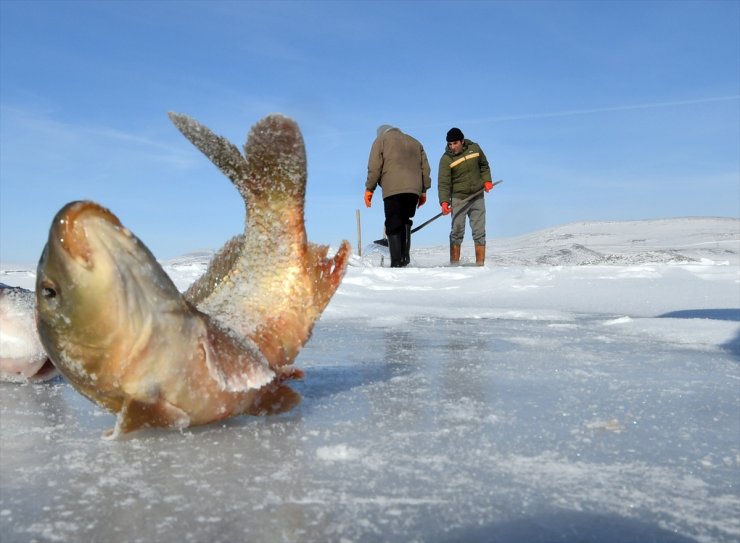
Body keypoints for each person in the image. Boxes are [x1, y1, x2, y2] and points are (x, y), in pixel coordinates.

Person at [365, 125, 431, 267]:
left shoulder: (381, 141)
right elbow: (425, 168)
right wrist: (424, 191)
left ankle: (396, 263)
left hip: (393, 188)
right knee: (405, 220)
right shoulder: (415, 142)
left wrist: (370, 188)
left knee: (393, 223)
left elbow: (374, 166)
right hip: (414, 190)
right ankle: (404, 257)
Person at [438, 127, 494, 266]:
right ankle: (454, 265)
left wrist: (487, 180)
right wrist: (444, 202)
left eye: (455, 143)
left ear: (462, 141)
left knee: (479, 231)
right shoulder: (446, 159)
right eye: (450, 144)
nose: (452, 147)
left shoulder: (475, 149)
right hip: (459, 199)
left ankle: (480, 265)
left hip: (477, 196)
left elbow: (484, 166)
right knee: (457, 231)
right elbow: (443, 183)